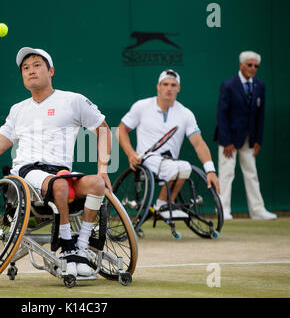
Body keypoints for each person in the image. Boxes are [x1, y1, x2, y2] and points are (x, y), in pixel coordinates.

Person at [0, 47, 113, 277]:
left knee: (97, 184)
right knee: (58, 183)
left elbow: (104, 131)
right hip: (27, 175)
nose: (30, 71)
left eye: (37, 65)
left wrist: (103, 169)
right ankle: (66, 245)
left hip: (61, 173)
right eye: (25, 68)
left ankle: (82, 246)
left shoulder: (73, 101)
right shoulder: (18, 110)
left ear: (51, 71)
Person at [118, 69, 220, 219]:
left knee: (185, 167)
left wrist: (210, 170)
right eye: (165, 84)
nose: (169, 88)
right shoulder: (141, 106)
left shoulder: (186, 114)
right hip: (146, 160)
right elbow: (121, 130)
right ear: (158, 86)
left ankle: (164, 203)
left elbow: (199, 143)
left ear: (178, 88)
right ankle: (164, 204)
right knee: (176, 167)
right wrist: (131, 153)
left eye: (173, 85)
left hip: (171, 161)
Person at [214, 51, 276, 220]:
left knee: (251, 173)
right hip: (229, 140)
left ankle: (257, 210)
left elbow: (260, 115)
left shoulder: (260, 86)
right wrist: (227, 141)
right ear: (241, 65)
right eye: (249, 65)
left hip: (249, 139)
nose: (253, 68)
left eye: (256, 66)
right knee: (226, 174)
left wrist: (258, 140)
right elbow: (222, 115)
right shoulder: (228, 85)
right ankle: (223, 210)